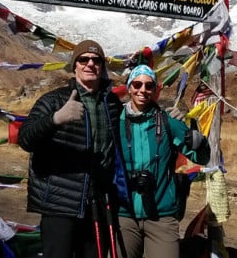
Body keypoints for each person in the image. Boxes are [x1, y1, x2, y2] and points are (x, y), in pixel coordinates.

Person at [18, 40, 123, 258]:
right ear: (74, 66)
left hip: (99, 202)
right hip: (60, 203)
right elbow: (25, 139)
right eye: (83, 59)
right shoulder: (53, 100)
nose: (90, 64)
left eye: (96, 60)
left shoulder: (112, 104)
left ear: (102, 67)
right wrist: (55, 119)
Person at [116, 64, 211, 258]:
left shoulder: (169, 122)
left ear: (155, 90)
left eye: (149, 86)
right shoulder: (114, 121)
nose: (143, 90)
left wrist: (200, 143)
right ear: (129, 87)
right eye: (137, 84)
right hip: (124, 214)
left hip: (162, 214)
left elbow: (201, 158)